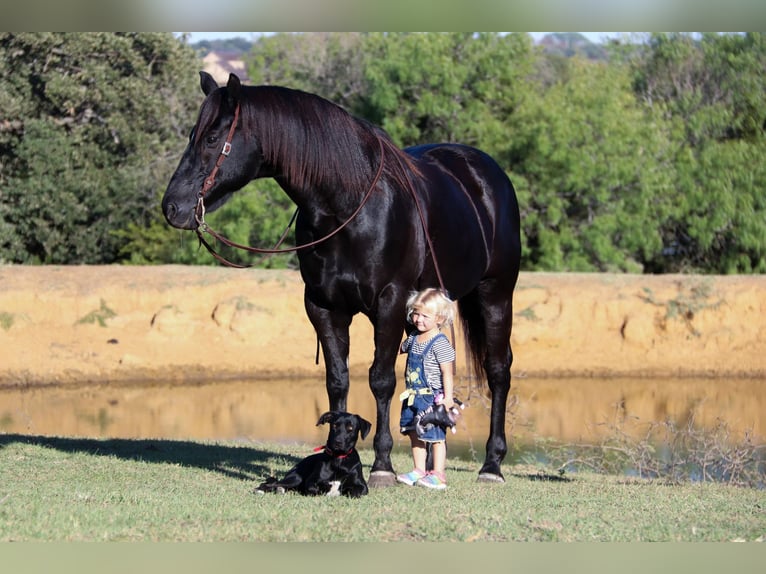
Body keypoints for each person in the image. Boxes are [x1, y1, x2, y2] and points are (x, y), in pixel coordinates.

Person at [396, 288, 457, 490]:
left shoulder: (440, 343)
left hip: (431, 400)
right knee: (415, 433)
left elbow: (447, 373)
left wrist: (448, 398)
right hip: (412, 397)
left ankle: (438, 475)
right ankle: (418, 470)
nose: (418, 319)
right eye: (415, 313)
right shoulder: (413, 338)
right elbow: (399, 349)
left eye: (424, 315)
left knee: (436, 437)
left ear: (439, 318)